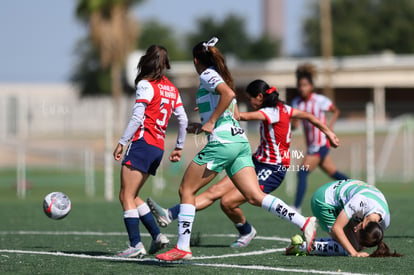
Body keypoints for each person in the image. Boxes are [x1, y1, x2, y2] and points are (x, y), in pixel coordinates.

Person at [156, 37, 319, 262]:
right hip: (239, 143)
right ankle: (304, 222)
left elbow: (229, 96)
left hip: (224, 144)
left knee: (186, 189)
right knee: (255, 195)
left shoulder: (207, 74)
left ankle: (183, 246)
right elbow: (225, 110)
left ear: (196, 60)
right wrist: (202, 125)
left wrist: (211, 121)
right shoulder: (218, 77)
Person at [148, 79, 340, 248]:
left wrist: (214, 108)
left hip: (273, 170)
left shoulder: (271, 112)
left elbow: (238, 116)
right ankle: (170, 214)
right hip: (256, 162)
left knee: (228, 202)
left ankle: (301, 222)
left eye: (250, 99)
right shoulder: (285, 108)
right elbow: (309, 116)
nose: (250, 103)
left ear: (259, 96)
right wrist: (328, 132)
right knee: (215, 193)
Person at [112, 45, 188, 258]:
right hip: (158, 148)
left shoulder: (146, 85)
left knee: (125, 195)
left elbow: (137, 117)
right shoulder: (172, 89)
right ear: (164, 64)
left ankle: (135, 245)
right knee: (133, 195)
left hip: (142, 143)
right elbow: (183, 119)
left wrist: (122, 142)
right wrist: (179, 146)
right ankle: (157, 236)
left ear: (147, 61)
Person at [286, 179, 402, 257]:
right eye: (357, 230)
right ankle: (301, 246)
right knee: (350, 247)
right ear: (362, 224)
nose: (355, 230)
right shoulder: (360, 203)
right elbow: (337, 228)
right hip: (323, 199)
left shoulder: (385, 221)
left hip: (342, 201)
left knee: (354, 244)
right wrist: (354, 253)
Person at [291, 63, 348, 212]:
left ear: (311, 86)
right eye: (300, 85)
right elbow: (295, 124)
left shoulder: (319, 100)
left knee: (302, 172)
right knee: (334, 173)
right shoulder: (296, 102)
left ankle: (296, 207)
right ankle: (358, 187)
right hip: (311, 145)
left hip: (321, 143)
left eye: (305, 85)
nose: (302, 88)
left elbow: (336, 111)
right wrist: (291, 125)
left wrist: (330, 128)